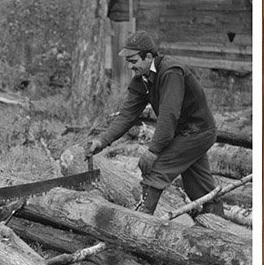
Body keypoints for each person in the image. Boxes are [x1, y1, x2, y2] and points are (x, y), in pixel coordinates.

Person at [84, 30, 217, 215]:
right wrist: (102, 141)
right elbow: (126, 116)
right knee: (200, 187)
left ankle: (141, 221)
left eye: (133, 61)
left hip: (198, 132)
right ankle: (218, 222)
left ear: (148, 57)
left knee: (155, 169)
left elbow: (168, 115)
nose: (130, 67)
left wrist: (154, 150)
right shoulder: (142, 80)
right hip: (183, 133)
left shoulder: (171, 72)